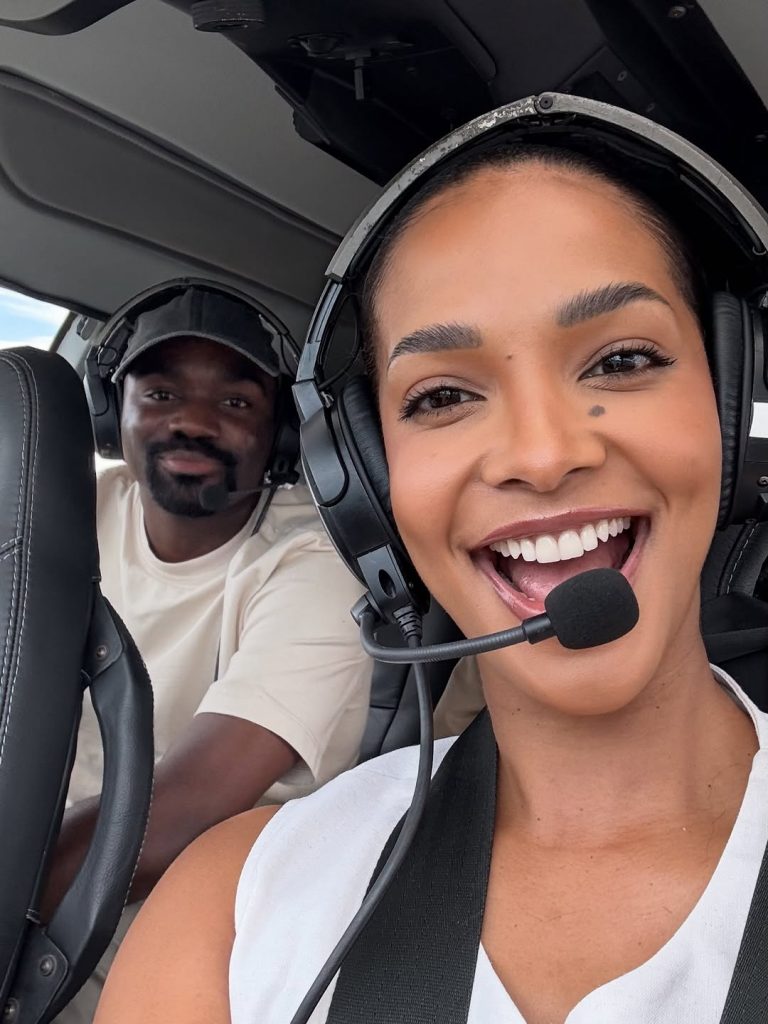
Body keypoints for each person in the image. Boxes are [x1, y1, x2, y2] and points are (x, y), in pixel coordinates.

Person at [96, 102, 768, 1024]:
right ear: (366, 479)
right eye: (444, 394)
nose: (540, 453)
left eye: (620, 360)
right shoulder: (238, 907)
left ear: (728, 405)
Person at [49, 283, 371, 1023]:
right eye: (160, 392)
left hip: (168, 959)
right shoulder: (70, 509)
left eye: (234, 404)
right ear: (113, 411)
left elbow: (179, 808)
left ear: (283, 435)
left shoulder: (315, 565)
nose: (191, 422)